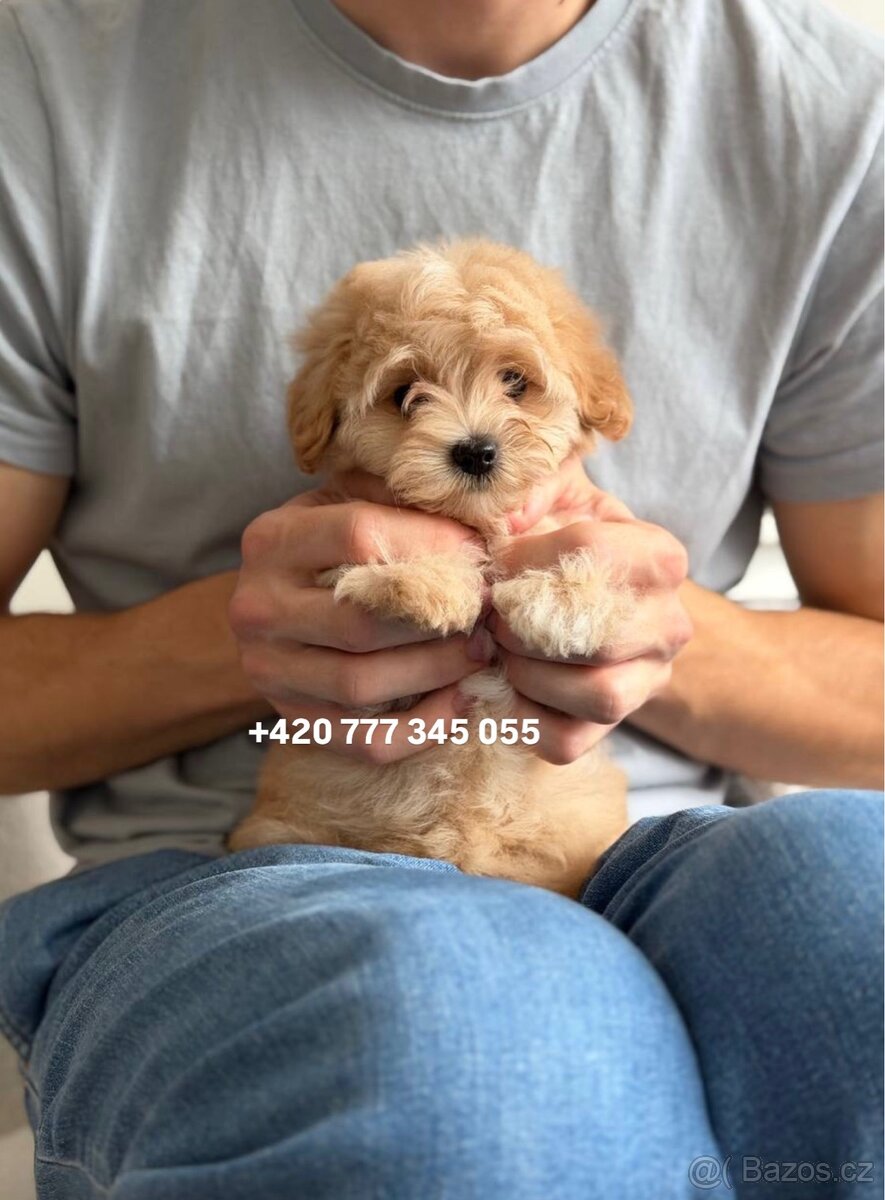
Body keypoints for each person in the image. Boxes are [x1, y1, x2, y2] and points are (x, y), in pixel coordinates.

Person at [0, 0, 881, 1195]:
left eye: (517, 384)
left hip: (636, 846)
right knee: (468, 1054)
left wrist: (639, 631)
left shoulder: (835, 98)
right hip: (260, 871)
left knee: (857, 900)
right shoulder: (45, 76)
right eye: (410, 395)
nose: (466, 431)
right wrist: (247, 639)